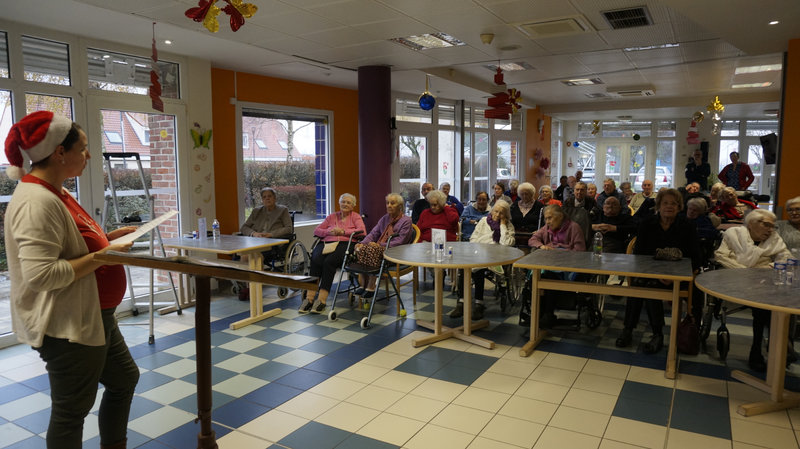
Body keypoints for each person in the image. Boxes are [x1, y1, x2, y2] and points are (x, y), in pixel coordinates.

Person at [5, 111, 140, 449]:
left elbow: (72, 246)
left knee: (124, 379)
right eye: (83, 148)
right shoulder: (37, 201)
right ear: (59, 153)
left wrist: (108, 239)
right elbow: (42, 275)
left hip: (94, 316)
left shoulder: (57, 192)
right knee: (72, 410)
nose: (89, 155)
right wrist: (104, 255)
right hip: (66, 325)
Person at [616, 189, 701, 354]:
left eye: (674, 204)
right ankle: (629, 329)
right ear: (659, 206)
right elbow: (640, 255)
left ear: (679, 207)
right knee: (640, 284)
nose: (669, 207)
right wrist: (658, 273)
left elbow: (696, 257)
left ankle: (657, 334)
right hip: (651, 272)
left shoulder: (687, 226)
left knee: (647, 286)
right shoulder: (647, 224)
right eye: (665, 203)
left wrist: (671, 276)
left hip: (679, 276)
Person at [715, 209, 792, 371]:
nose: (770, 229)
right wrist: (746, 272)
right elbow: (721, 256)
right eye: (766, 225)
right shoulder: (733, 234)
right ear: (751, 223)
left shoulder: (774, 238)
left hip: (763, 282)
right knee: (765, 306)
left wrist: (768, 269)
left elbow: (784, 256)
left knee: (777, 302)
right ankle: (765, 348)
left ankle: (776, 345)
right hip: (735, 279)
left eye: (773, 226)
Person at [451, 200, 515, 320]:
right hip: (478, 252)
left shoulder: (508, 226)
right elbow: (474, 237)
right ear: (492, 210)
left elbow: (505, 244)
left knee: (478, 269)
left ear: (506, 215)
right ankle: (461, 302)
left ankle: (479, 303)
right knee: (463, 266)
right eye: (496, 211)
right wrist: (479, 248)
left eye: (501, 213)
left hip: (496, 257)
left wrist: (502, 225)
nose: (497, 215)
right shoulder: (484, 221)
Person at [302, 193, 366, 313]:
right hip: (327, 243)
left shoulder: (356, 217)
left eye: (348, 202)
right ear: (339, 203)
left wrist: (343, 231)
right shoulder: (331, 217)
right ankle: (309, 298)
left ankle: (322, 299)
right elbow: (317, 230)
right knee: (316, 260)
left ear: (353, 206)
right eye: (343, 201)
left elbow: (362, 231)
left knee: (329, 262)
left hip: (345, 244)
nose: (345, 204)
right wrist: (329, 232)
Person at [528, 205, 586, 327]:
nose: (547, 221)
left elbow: (580, 251)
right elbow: (533, 239)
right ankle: (538, 312)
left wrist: (561, 254)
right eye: (546, 218)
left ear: (560, 217)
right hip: (549, 261)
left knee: (548, 275)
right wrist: (542, 246)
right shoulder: (546, 228)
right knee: (534, 276)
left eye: (550, 218)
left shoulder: (574, 227)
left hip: (567, 264)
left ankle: (548, 314)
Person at [353, 193, 414, 298]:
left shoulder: (406, 221)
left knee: (373, 249)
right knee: (363, 248)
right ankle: (363, 285)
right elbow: (373, 234)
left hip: (397, 253)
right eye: (387, 203)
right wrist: (361, 243)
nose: (389, 205)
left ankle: (371, 286)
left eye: (392, 203)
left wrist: (379, 244)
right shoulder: (384, 218)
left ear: (400, 206)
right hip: (381, 251)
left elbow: (400, 242)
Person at [240, 187, 293, 268]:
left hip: (273, 244)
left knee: (250, 256)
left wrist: (271, 234)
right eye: (264, 197)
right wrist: (254, 233)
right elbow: (244, 227)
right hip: (256, 242)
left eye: (269, 196)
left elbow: (289, 228)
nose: (267, 198)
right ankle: (247, 279)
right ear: (262, 200)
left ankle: (254, 279)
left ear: (274, 198)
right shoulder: (256, 211)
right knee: (244, 255)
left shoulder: (283, 210)